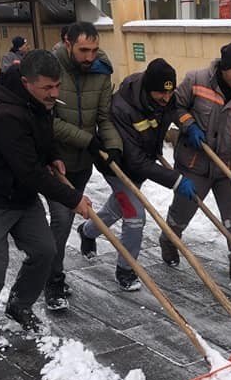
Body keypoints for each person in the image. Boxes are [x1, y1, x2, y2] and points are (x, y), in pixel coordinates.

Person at [0, 50, 92, 348]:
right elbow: (30, 171)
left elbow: (43, 138)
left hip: (19, 193)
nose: (54, 93)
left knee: (45, 250)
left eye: (57, 86)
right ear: (26, 82)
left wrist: (54, 156)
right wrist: (73, 198)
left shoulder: (37, 102)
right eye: (47, 87)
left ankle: (19, 305)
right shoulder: (5, 114)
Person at [75, 58, 196, 291]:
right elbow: (135, 161)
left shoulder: (165, 97)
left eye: (169, 93)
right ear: (149, 88)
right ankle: (126, 270)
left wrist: (187, 126)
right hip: (117, 166)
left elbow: (175, 110)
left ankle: (88, 231)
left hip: (142, 161)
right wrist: (175, 180)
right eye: (160, 93)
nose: (166, 98)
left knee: (119, 207)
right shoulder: (122, 107)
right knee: (134, 217)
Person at [159, 41, 231, 287]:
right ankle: (169, 239)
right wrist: (188, 124)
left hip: (228, 166)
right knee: (182, 210)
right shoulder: (196, 80)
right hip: (195, 162)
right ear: (223, 70)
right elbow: (175, 106)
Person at [44, 21, 123, 310]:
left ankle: (48, 266)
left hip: (81, 163)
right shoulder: (50, 69)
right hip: (53, 161)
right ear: (67, 43)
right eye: (83, 50)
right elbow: (47, 121)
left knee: (63, 220)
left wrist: (112, 145)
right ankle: (52, 280)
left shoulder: (101, 71)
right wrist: (86, 139)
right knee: (62, 220)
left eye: (94, 49)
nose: (89, 57)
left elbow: (104, 116)